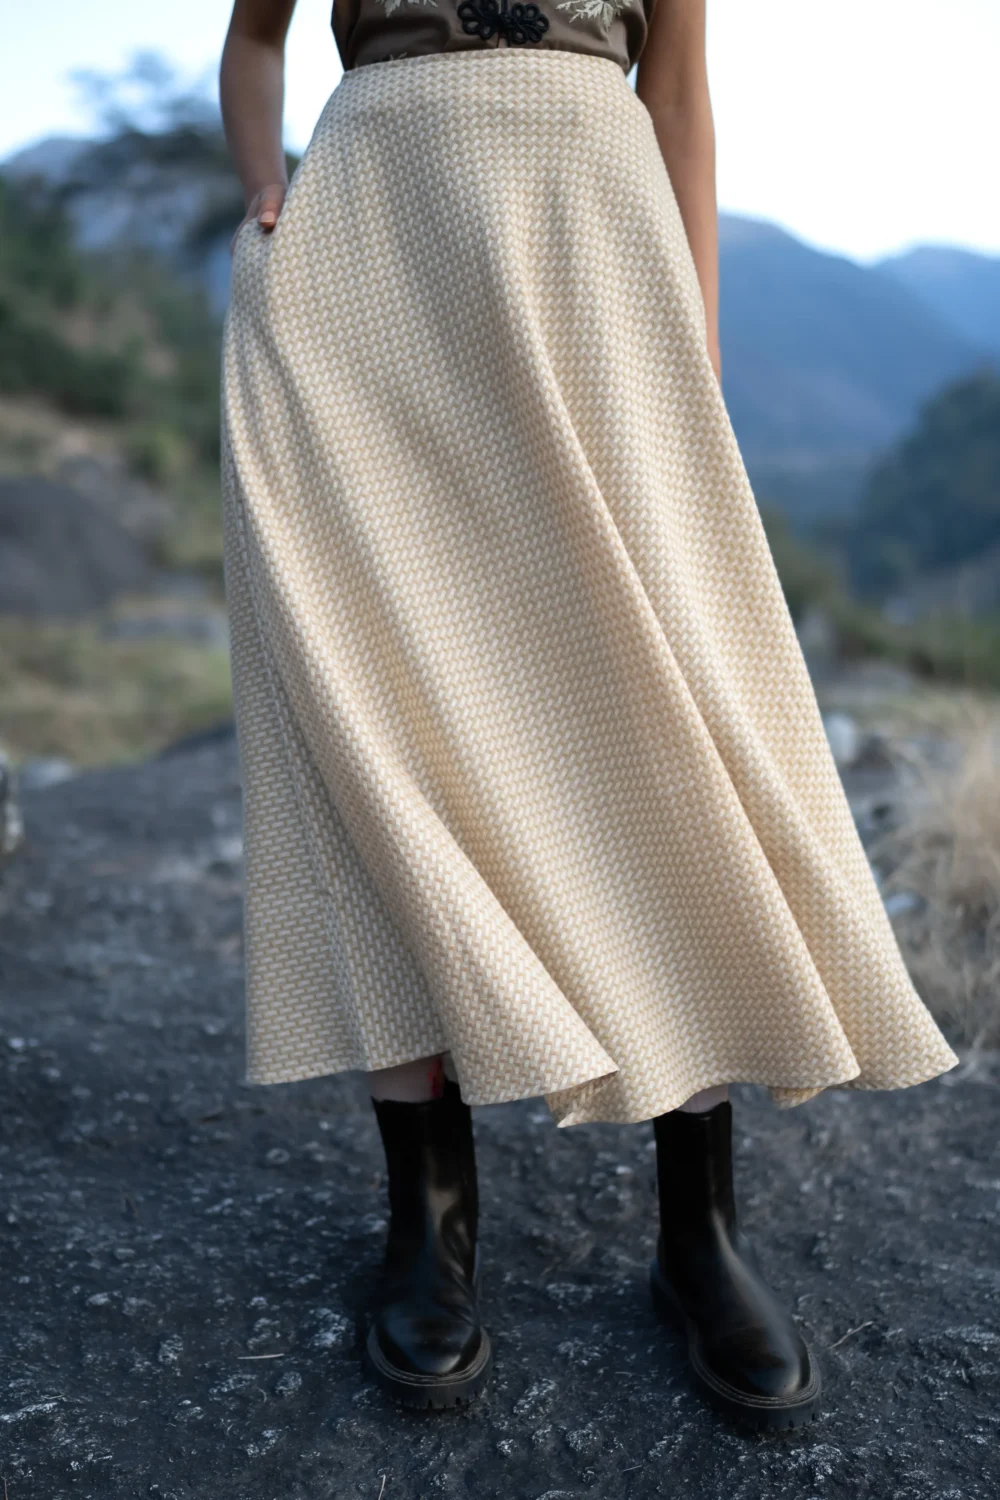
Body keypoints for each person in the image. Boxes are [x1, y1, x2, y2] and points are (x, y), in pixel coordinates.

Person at [217, 0, 959, 1429]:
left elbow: (676, 92)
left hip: (591, 250)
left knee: (651, 712)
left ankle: (701, 1235)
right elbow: (256, 42)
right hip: (365, 264)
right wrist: (265, 185)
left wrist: (698, 339)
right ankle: (431, 1227)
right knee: (375, 713)